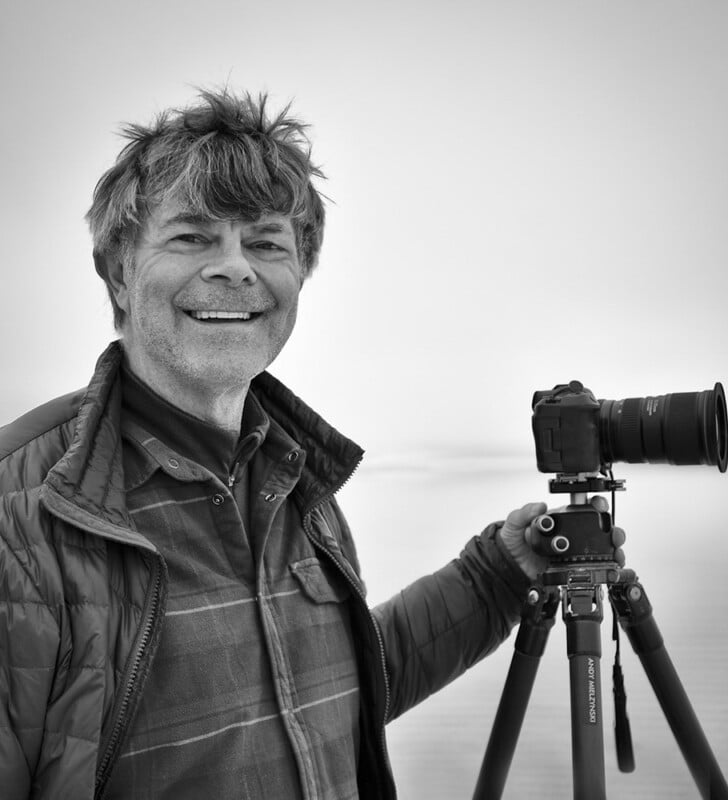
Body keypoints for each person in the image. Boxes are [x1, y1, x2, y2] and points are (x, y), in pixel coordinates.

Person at [0, 89, 623, 800]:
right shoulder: (26, 513)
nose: (235, 267)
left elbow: (324, 702)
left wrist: (498, 574)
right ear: (117, 268)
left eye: (266, 243)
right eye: (192, 237)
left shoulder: (291, 475)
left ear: (298, 277)